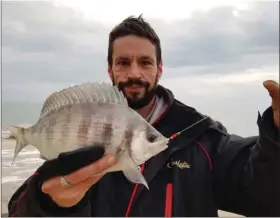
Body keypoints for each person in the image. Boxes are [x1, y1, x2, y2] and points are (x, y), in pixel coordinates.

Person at [8, 15, 280, 217]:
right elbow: (20, 209)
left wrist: (277, 137)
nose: (134, 73)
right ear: (110, 69)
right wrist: (51, 204)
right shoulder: (82, 123)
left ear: (159, 69)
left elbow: (264, 194)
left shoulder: (203, 138)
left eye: (145, 62)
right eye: (123, 62)